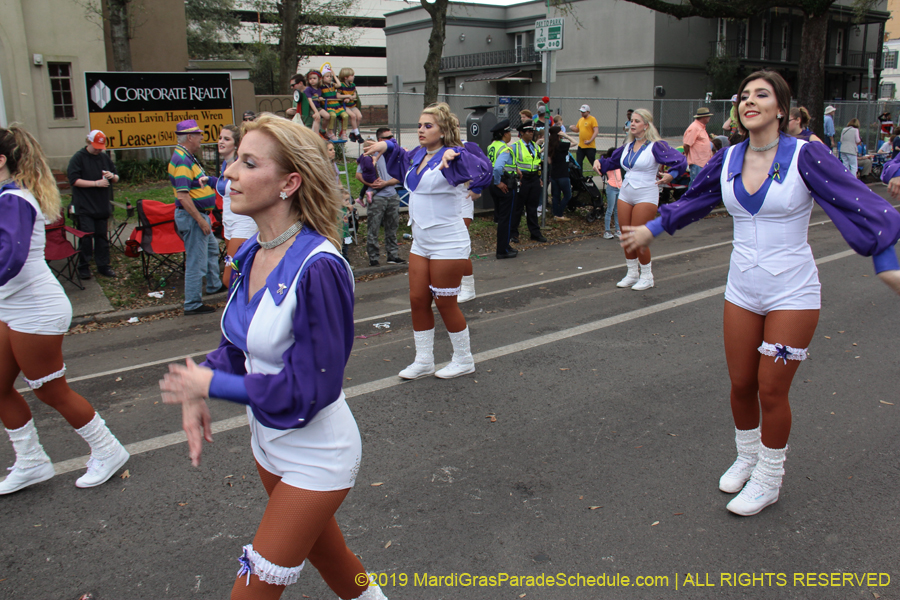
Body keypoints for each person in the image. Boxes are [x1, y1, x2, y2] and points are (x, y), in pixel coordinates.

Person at [622, 70, 900, 517]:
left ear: (781, 109)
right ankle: (746, 456)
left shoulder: (807, 155)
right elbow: (695, 200)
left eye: (761, 95)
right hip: (742, 288)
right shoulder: (729, 157)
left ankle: (769, 477)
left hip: (793, 290)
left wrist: (886, 264)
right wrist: (652, 228)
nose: (749, 101)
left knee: (771, 390)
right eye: (744, 95)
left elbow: (860, 204)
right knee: (741, 384)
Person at [159, 114, 388, 600]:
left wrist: (210, 386)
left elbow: (313, 389)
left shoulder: (319, 266)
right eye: (233, 160)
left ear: (289, 182)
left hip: (318, 455)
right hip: (268, 446)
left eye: (248, 162)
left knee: (252, 591)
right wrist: (202, 374)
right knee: (336, 563)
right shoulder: (250, 255)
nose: (229, 174)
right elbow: (238, 347)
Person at [0, 125, 129, 495]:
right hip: (10, 307)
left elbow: (9, 258)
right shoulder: (7, 196)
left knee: (50, 391)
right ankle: (31, 462)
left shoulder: (15, 200)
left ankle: (108, 449)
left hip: (35, 308)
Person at [364, 102, 491, 380]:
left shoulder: (457, 154)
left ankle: (463, 359)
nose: (421, 130)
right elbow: (399, 155)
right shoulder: (417, 154)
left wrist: (454, 155)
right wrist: (385, 147)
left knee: (446, 302)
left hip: (448, 242)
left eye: (428, 125)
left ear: (443, 130)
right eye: (420, 125)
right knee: (418, 299)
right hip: (420, 242)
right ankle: (423, 360)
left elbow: (482, 169)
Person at [594, 108, 686, 291]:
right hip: (626, 192)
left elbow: (680, 161)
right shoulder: (627, 147)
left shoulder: (656, 146)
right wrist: (599, 162)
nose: (632, 124)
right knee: (626, 235)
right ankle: (632, 273)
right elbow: (609, 162)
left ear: (646, 125)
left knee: (638, 236)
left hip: (646, 193)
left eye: (636, 121)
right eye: (631, 121)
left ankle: (647, 276)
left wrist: (671, 175)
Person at [169, 119, 224, 316]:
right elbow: (183, 195)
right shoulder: (182, 160)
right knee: (196, 259)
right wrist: (200, 220)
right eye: (199, 134)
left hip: (198, 215)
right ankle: (192, 303)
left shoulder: (186, 156)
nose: (202, 137)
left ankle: (214, 285)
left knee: (211, 248)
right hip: (193, 217)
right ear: (190, 137)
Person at [208, 125, 257, 287]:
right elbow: (225, 187)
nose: (221, 142)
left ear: (236, 144)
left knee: (229, 278)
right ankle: (247, 306)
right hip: (228, 224)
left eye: (226, 139)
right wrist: (209, 181)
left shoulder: (241, 164)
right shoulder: (225, 165)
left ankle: (244, 308)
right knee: (241, 272)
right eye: (220, 138)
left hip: (243, 224)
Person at [66, 129, 119, 279]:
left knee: (102, 237)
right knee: (86, 237)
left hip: (101, 205)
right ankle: (84, 266)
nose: (98, 149)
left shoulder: (104, 158)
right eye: (95, 146)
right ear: (88, 142)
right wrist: (95, 183)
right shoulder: (78, 158)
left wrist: (112, 176)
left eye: (100, 147)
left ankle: (103, 265)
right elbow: (74, 180)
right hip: (85, 206)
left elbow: (116, 177)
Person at [355, 127, 403, 267]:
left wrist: (386, 183)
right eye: (388, 138)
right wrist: (371, 183)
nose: (391, 140)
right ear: (380, 140)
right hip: (377, 198)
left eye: (392, 137)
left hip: (392, 196)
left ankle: (393, 255)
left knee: (392, 227)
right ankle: (374, 258)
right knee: (373, 228)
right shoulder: (370, 154)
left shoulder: (395, 154)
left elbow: (400, 176)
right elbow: (358, 175)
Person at [511, 122, 547, 243]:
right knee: (518, 208)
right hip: (522, 179)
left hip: (534, 179)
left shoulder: (535, 147)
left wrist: (539, 177)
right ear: (521, 133)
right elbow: (512, 163)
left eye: (532, 131)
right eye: (528, 131)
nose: (531, 133)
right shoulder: (515, 147)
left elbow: (538, 163)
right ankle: (513, 233)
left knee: (532, 207)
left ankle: (535, 233)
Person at [487, 119, 518, 259]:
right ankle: (502, 250)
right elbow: (499, 167)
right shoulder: (505, 149)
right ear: (504, 134)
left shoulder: (492, 146)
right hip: (504, 184)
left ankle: (505, 245)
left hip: (493, 184)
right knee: (506, 219)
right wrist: (499, 182)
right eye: (508, 132)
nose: (510, 134)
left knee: (500, 217)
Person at [547, 125, 577, 222]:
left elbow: (549, 161)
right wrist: (566, 135)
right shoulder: (562, 145)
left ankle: (555, 214)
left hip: (554, 174)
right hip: (563, 175)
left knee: (556, 196)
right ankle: (559, 214)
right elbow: (575, 143)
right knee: (567, 195)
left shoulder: (550, 146)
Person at [683, 107, 713, 189]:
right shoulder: (694, 128)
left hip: (703, 162)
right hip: (697, 162)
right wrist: (687, 155)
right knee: (695, 185)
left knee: (700, 185)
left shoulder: (701, 128)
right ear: (704, 117)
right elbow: (686, 145)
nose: (709, 118)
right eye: (708, 116)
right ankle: (690, 201)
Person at [320, 68, 348, 141]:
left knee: (345, 115)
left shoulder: (332, 85)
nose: (329, 78)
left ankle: (343, 132)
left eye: (330, 76)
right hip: (328, 105)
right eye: (327, 76)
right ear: (322, 78)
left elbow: (339, 84)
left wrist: (335, 76)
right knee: (332, 115)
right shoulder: (322, 86)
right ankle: (330, 132)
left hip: (336, 105)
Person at [338, 68, 363, 143]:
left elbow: (354, 95)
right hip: (345, 106)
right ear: (345, 77)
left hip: (352, 105)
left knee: (359, 116)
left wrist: (350, 97)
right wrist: (347, 96)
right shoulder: (341, 85)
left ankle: (352, 133)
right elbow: (338, 96)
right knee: (353, 116)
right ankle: (357, 134)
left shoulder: (353, 85)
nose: (353, 77)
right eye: (351, 75)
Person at [601, 147, 621, 239]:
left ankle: (618, 230)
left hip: (619, 188)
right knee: (610, 209)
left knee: (617, 210)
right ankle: (607, 231)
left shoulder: (618, 163)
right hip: (611, 187)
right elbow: (602, 163)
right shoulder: (609, 163)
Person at [304, 70, 329, 138]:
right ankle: (316, 135)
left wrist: (320, 98)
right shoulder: (308, 89)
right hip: (310, 108)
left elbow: (316, 97)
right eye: (310, 78)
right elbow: (310, 101)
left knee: (327, 116)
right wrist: (316, 112)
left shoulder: (319, 89)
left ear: (319, 79)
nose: (312, 80)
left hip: (318, 107)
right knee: (317, 118)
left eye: (314, 78)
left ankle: (323, 131)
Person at [575, 104, 599, 172]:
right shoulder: (580, 120)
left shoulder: (592, 119)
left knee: (593, 163)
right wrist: (572, 128)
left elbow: (596, 131)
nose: (582, 113)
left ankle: (603, 175)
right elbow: (577, 129)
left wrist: (590, 140)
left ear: (588, 112)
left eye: (583, 112)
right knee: (578, 164)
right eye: (581, 112)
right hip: (581, 146)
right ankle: (580, 178)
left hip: (590, 146)